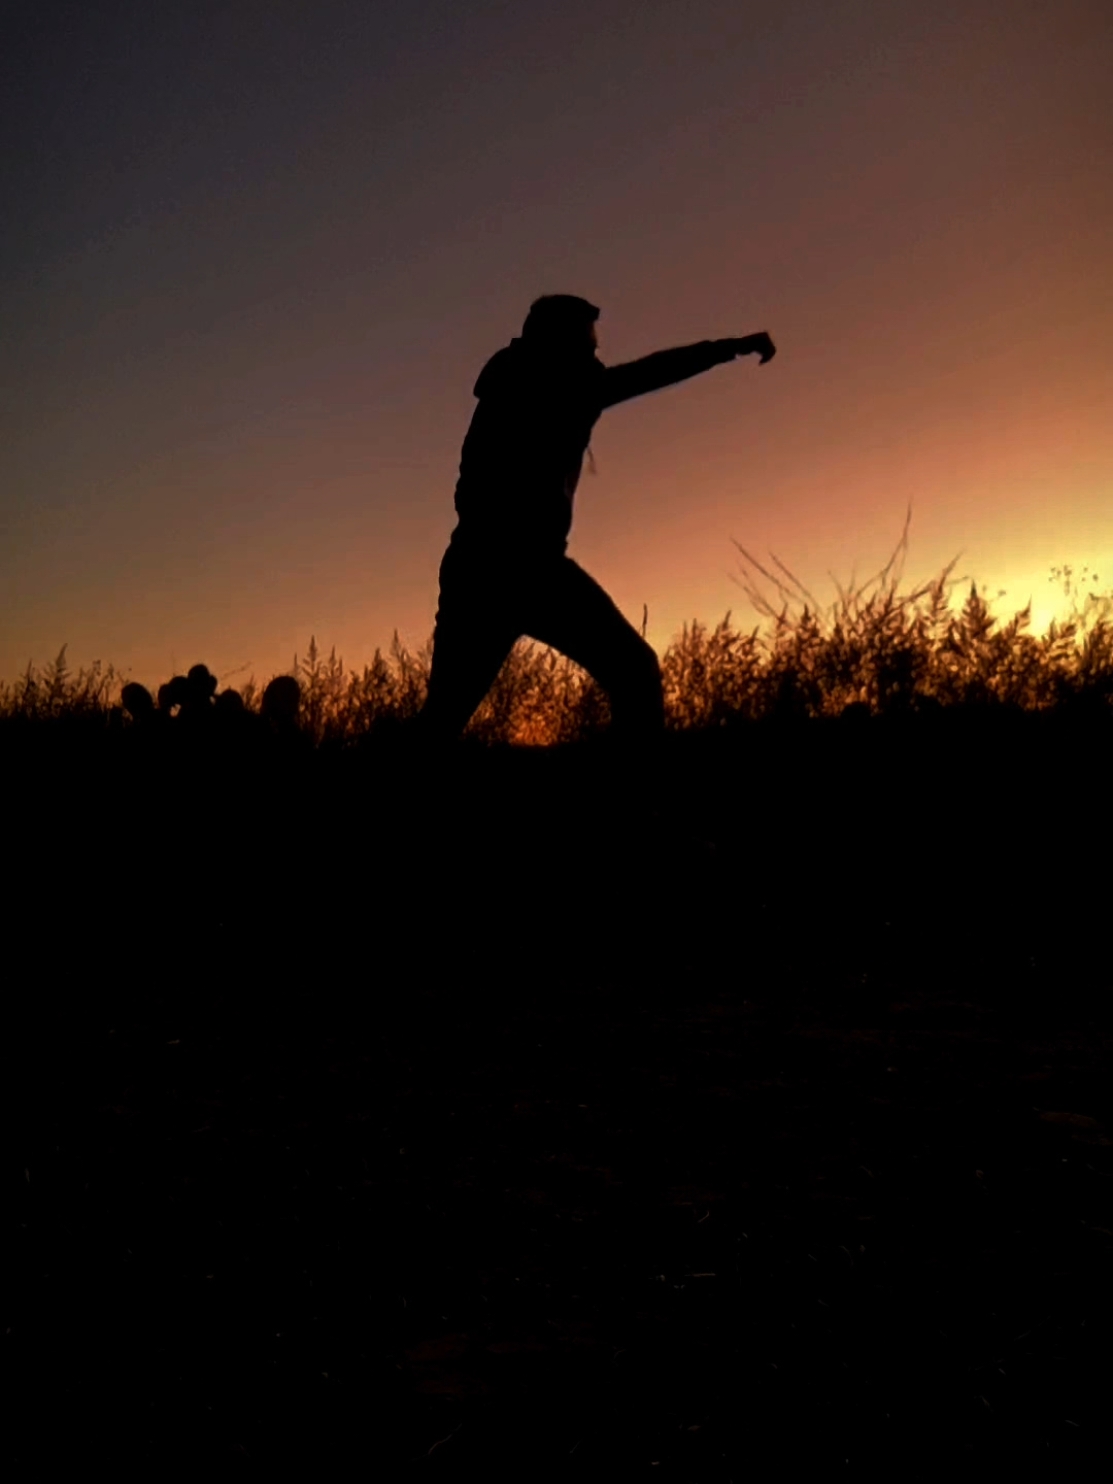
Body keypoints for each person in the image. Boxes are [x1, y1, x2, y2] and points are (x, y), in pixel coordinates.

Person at [419, 295, 775, 740]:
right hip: (524, 569)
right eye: (587, 345)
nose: (594, 355)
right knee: (636, 671)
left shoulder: (514, 384)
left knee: (440, 722)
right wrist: (729, 348)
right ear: (557, 342)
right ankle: (637, 804)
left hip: (477, 568)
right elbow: (650, 372)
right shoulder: (551, 387)